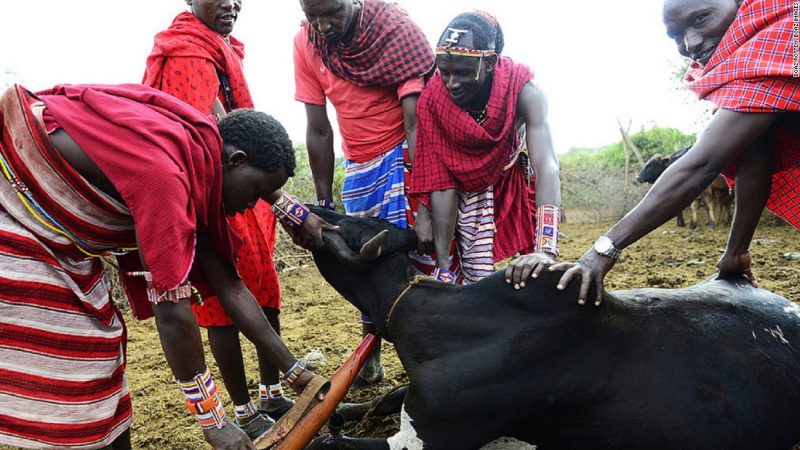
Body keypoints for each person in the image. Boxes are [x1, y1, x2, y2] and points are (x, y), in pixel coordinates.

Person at [0, 83, 327, 450]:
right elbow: (172, 310)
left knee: (106, 359)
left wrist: (299, 375)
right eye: (255, 192)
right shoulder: (166, 176)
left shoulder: (197, 157)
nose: (251, 206)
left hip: (62, 239)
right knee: (83, 367)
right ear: (235, 161)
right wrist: (214, 422)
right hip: (15, 214)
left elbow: (230, 286)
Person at [529, 0, 799, 305]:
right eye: (675, 36)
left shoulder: (787, 34)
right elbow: (755, 157)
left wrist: (603, 250)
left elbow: (700, 166)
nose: (690, 43)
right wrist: (735, 253)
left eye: (701, 18)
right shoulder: (755, 67)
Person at [142, 0, 294, 435]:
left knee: (263, 288)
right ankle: (244, 410)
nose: (230, 3)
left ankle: (272, 392)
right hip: (215, 192)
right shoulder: (187, 50)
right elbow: (212, 134)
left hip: (239, 189)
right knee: (223, 300)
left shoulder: (221, 48)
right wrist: (275, 199)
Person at [293, 0, 435, 387]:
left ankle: (432, 356)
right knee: (363, 262)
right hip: (358, 168)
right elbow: (319, 129)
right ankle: (369, 355)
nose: (322, 25)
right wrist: (324, 206)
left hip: (404, 156)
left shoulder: (395, 31)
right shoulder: (307, 42)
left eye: (332, 13)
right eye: (312, 16)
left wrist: (423, 201)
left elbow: (415, 122)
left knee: (419, 260)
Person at [409, 11, 561, 285]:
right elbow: (440, 176)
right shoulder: (433, 97)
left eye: (464, 73)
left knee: (529, 279)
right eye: (444, 72)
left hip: (507, 180)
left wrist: (546, 249)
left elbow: (547, 165)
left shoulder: (523, 91)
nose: (452, 83)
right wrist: (442, 266)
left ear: (489, 62)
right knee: (463, 281)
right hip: (456, 198)